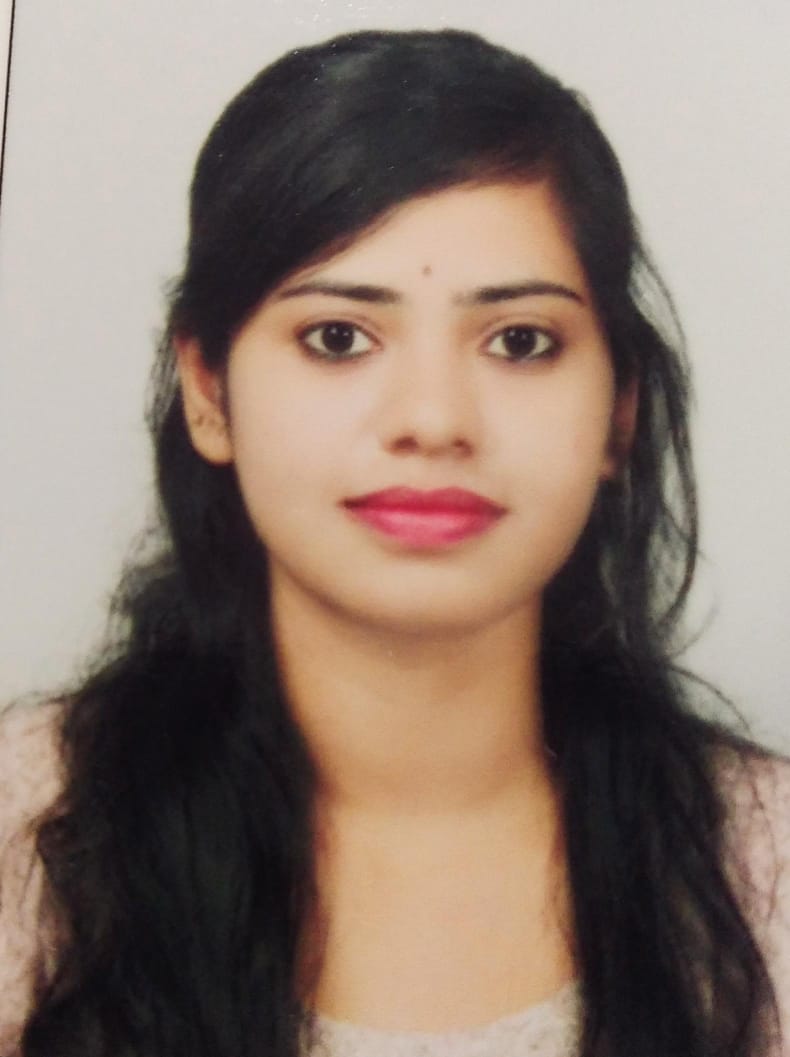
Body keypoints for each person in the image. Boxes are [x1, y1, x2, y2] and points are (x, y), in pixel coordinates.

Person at [0, 27, 787, 1057]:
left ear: (619, 411)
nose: (432, 418)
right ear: (208, 391)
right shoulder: (25, 837)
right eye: (338, 338)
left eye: (519, 342)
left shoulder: (761, 869)